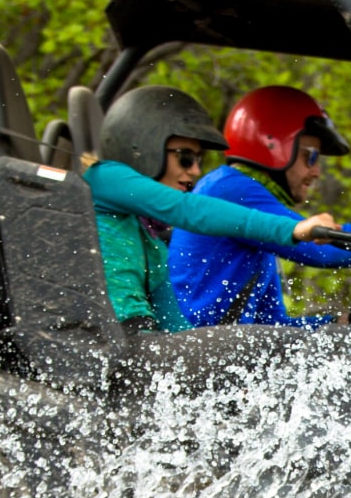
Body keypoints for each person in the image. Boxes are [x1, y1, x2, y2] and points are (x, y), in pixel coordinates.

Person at [166, 86, 351, 328]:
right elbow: (322, 250)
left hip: (224, 349)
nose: (316, 172)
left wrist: (336, 323)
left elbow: (271, 326)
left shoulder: (247, 203)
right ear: (273, 146)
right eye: (310, 157)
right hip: (201, 354)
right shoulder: (229, 189)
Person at [86, 86, 337, 334]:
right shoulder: (104, 180)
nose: (195, 171)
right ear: (141, 149)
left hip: (136, 349)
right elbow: (188, 210)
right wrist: (291, 229)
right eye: (185, 157)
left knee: (243, 349)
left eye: (198, 159)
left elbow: (179, 333)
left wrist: (332, 328)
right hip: (111, 346)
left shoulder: (152, 248)